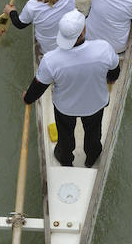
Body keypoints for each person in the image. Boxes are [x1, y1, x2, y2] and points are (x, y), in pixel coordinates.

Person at [23, 9, 120, 167]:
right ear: (83, 31)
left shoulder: (51, 59)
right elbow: (114, 72)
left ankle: (65, 159)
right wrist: (110, 79)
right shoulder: (104, 48)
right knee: (93, 134)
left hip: (65, 108)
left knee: (65, 136)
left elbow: (38, 87)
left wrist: (27, 98)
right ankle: (92, 157)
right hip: (96, 104)